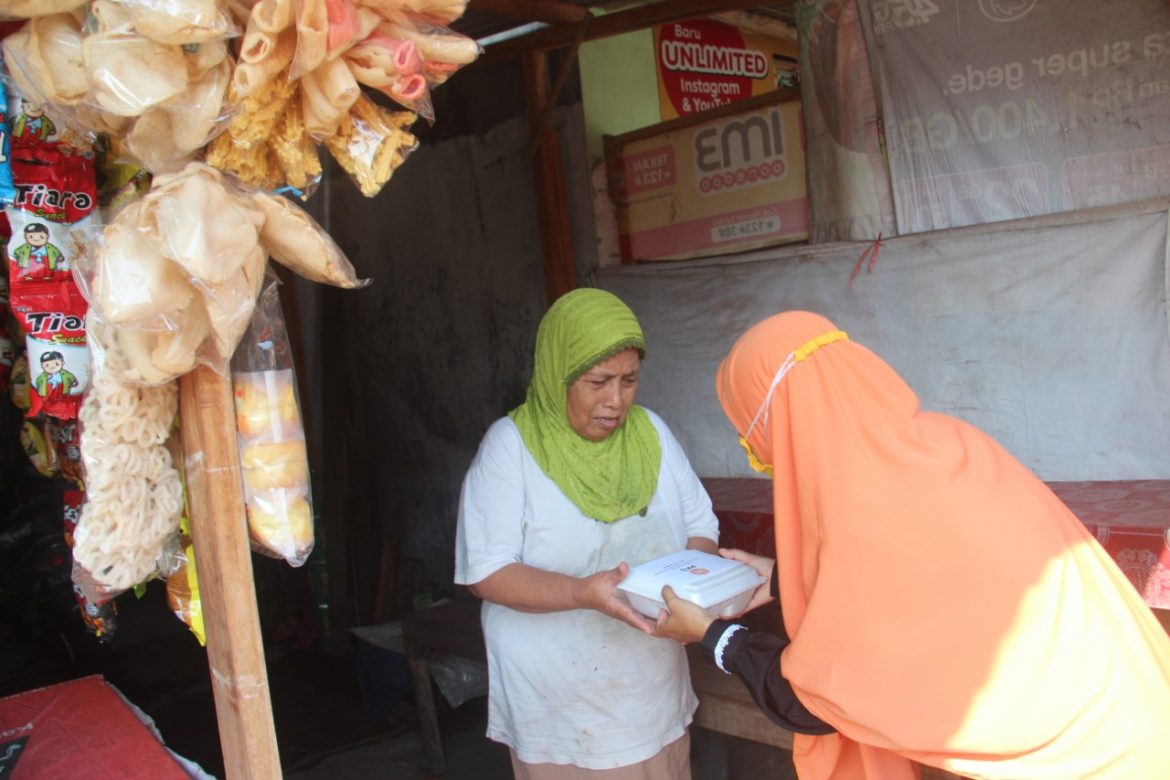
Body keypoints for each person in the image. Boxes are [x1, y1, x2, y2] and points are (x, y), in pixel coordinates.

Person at [655, 310, 1170, 779]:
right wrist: (786, 577)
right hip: (1134, 710)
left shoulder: (853, 504)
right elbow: (927, 583)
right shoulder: (948, 442)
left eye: (750, 431)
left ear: (771, 420)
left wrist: (713, 637)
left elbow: (818, 700)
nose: (756, 453)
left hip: (1080, 761)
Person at [454, 288, 720, 778]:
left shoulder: (652, 434)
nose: (615, 401)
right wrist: (583, 592)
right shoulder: (510, 449)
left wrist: (688, 585)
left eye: (629, 380)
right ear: (560, 374)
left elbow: (701, 525)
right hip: (558, 704)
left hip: (650, 691)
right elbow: (487, 572)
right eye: (598, 381)